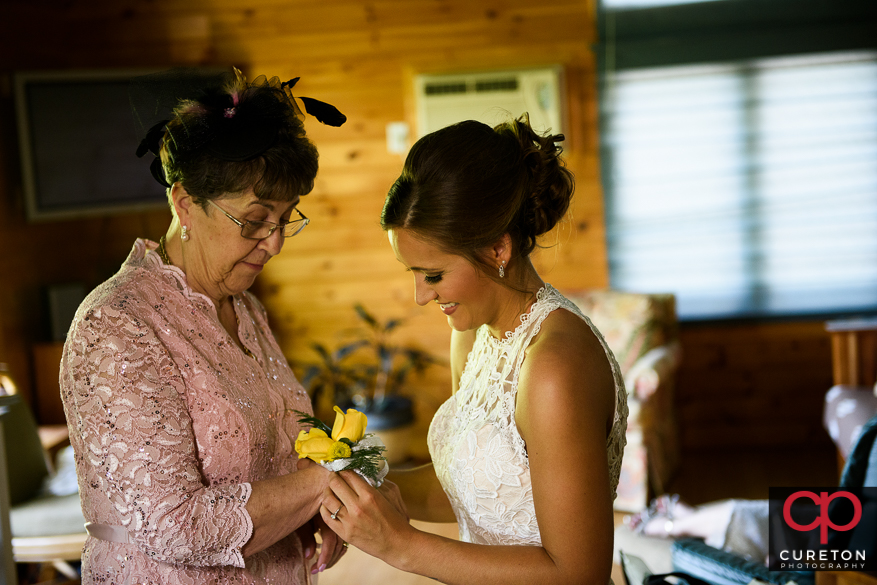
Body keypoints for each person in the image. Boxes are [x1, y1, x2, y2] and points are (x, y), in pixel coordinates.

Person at [60, 68, 350, 584]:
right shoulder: (117, 326)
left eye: (287, 219)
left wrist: (313, 517)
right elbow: (174, 525)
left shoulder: (245, 309)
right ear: (184, 202)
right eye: (256, 220)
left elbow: (278, 453)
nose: (275, 242)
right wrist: (323, 487)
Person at [315, 117, 629, 583]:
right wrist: (365, 490)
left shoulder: (554, 366)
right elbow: (474, 490)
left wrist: (402, 546)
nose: (422, 296)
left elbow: (578, 573)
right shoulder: (473, 334)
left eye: (434, 275)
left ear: (497, 248)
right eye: (413, 274)